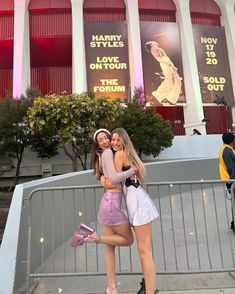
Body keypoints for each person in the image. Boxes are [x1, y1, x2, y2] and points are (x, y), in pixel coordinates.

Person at [71, 128, 137, 294]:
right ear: (97, 145)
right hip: (112, 205)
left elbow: (106, 176)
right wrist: (132, 171)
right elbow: (114, 179)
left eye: (106, 137)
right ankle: (89, 238)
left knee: (110, 246)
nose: (105, 141)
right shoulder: (107, 153)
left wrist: (104, 179)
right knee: (128, 240)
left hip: (108, 202)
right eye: (100, 140)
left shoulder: (104, 155)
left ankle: (111, 287)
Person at [102, 128, 159, 294]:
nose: (114, 143)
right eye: (112, 140)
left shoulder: (119, 154)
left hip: (138, 205)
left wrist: (104, 181)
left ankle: (150, 291)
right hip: (136, 202)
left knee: (144, 252)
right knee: (144, 251)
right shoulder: (125, 154)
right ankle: (147, 286)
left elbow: (113, 181)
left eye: (118, 140)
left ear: (124, 141)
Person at [145, 40, 182, 105]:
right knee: (170, 80)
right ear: (151, 45)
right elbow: (158, 58)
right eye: (152, 42)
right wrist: (167, 63)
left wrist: (171, 64)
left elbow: (165, 56)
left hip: (167, 62)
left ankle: (170, 98)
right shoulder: (153, 48)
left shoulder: (156, 48)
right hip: (165, 63)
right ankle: (157, 96)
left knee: (176, 80)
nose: (154, 41)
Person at [219, 132, 235, 231]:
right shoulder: (227, 151)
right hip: (232, 181)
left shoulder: (228, 149)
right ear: (231, 140)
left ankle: (233, 223)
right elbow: (231, 168)